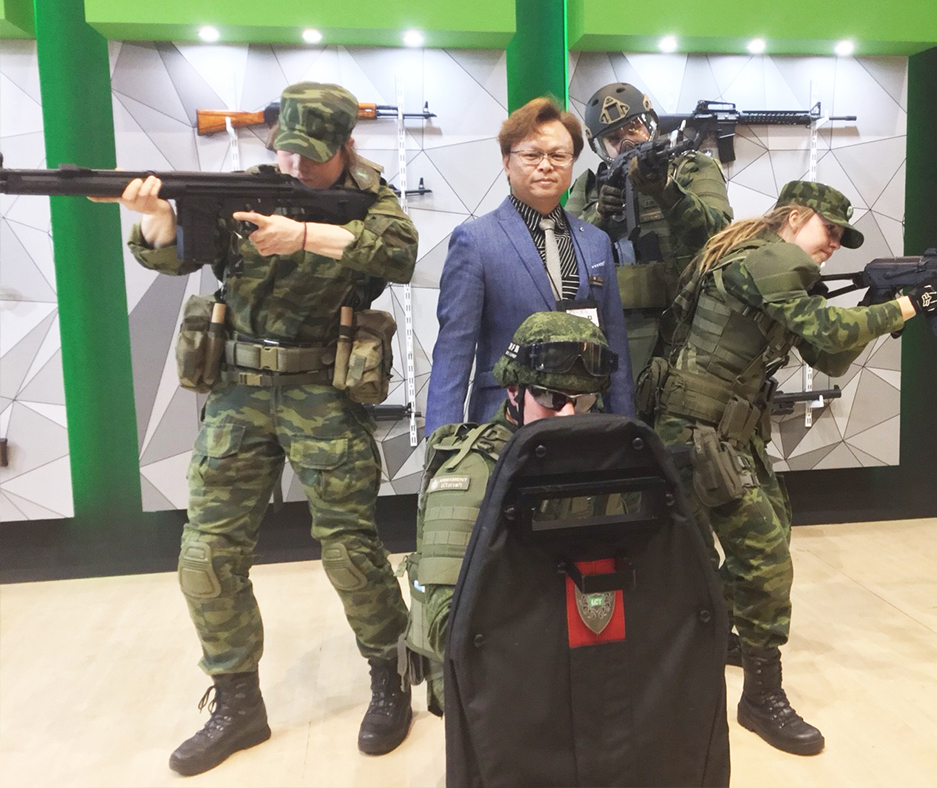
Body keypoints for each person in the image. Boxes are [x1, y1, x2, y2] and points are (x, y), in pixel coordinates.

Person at [115, 82, 419, 775]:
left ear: (345, 148)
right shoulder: (242, 191)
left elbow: (398, 253)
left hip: (322, 392)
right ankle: (237, 704)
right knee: (207, 553)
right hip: (238, 394)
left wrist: (304, 234)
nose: (294, 166)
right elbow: (174, 256)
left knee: (349, 547)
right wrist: (155, 218)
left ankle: (390, 678)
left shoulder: (371, 201)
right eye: (285, 151)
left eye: (311, 155)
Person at [651, 180, 937, 756]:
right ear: (794, 217)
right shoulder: (770, 258)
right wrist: (908, 304)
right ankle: (760, 697)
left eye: (842, 237)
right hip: (699, 429)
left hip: (725, 430)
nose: (834, 245)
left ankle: (716, 633)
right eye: (829, 230)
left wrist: (877, 311)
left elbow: (828, 356)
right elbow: (828, 332)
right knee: (764, 555)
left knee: (766, 535)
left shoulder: (767, 264)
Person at [404, 311, 618, 714]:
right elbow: (446, 625)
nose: (568, 416)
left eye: (583, 401)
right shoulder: (471, 475)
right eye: (552, 399)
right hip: (498, 686)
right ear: (513, 390)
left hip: (578, 667)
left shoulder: (597, 460)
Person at [425, 97, 634, 432]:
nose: (546, 165)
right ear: (507, 162)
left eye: (558, 155)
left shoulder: (595, 241)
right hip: (505, 422)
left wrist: (625, 431)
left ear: (572, 162)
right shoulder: (475, 241)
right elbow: (453, 352)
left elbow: (616, 349)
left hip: (584, 421)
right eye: (532, 155)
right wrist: (442, 444)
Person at [565, 82, 733, 378]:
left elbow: (717, 234)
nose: (627, 143)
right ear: (599, 146)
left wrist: (666, 190)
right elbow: (565, 252)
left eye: (634, 128)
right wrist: (599, 213)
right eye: (614, 138)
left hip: (687, 325)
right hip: (612, 332)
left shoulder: (692, 168)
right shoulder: (589, 186)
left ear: (650, 126)